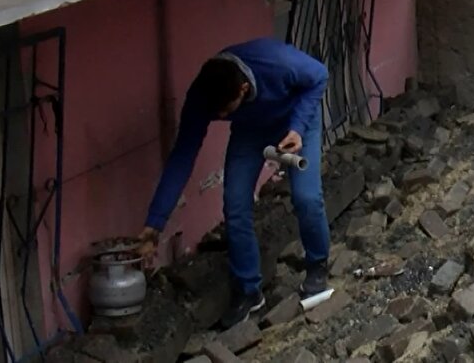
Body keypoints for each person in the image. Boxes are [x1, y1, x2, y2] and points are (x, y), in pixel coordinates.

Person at [136, 38, 330, 328]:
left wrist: (298, 127)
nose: (222, 117)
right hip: (250, 131)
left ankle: (317, 266)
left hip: (296, 120)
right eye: (219, 115)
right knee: (235, 204)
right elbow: (182, 156)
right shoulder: (204, 95)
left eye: (226, 111)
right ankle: (249, 291)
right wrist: (155, 222)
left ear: (243, 89)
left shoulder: (276, 63)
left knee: (306, 198)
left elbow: (319, 76)